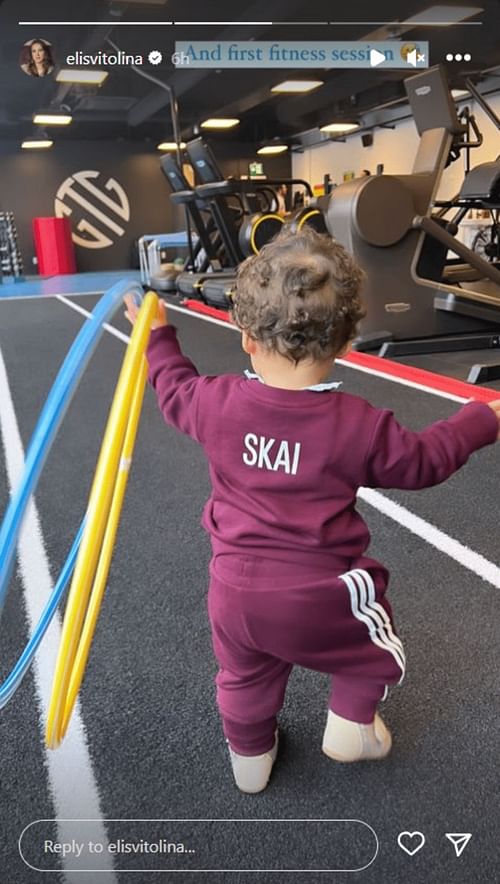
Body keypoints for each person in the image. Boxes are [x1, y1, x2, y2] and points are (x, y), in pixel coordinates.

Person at [124, 228, 500, 794]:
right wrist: (481, 417)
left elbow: (173, 387)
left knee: (243, 675)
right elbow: (425, 461)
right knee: (371, 648)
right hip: (319, 595)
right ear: (348, 341)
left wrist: (158, 337)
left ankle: (250, 758)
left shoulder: (215, 403)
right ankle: (350, 725)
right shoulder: (359, 425)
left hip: (232, 593)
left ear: (246, 336)